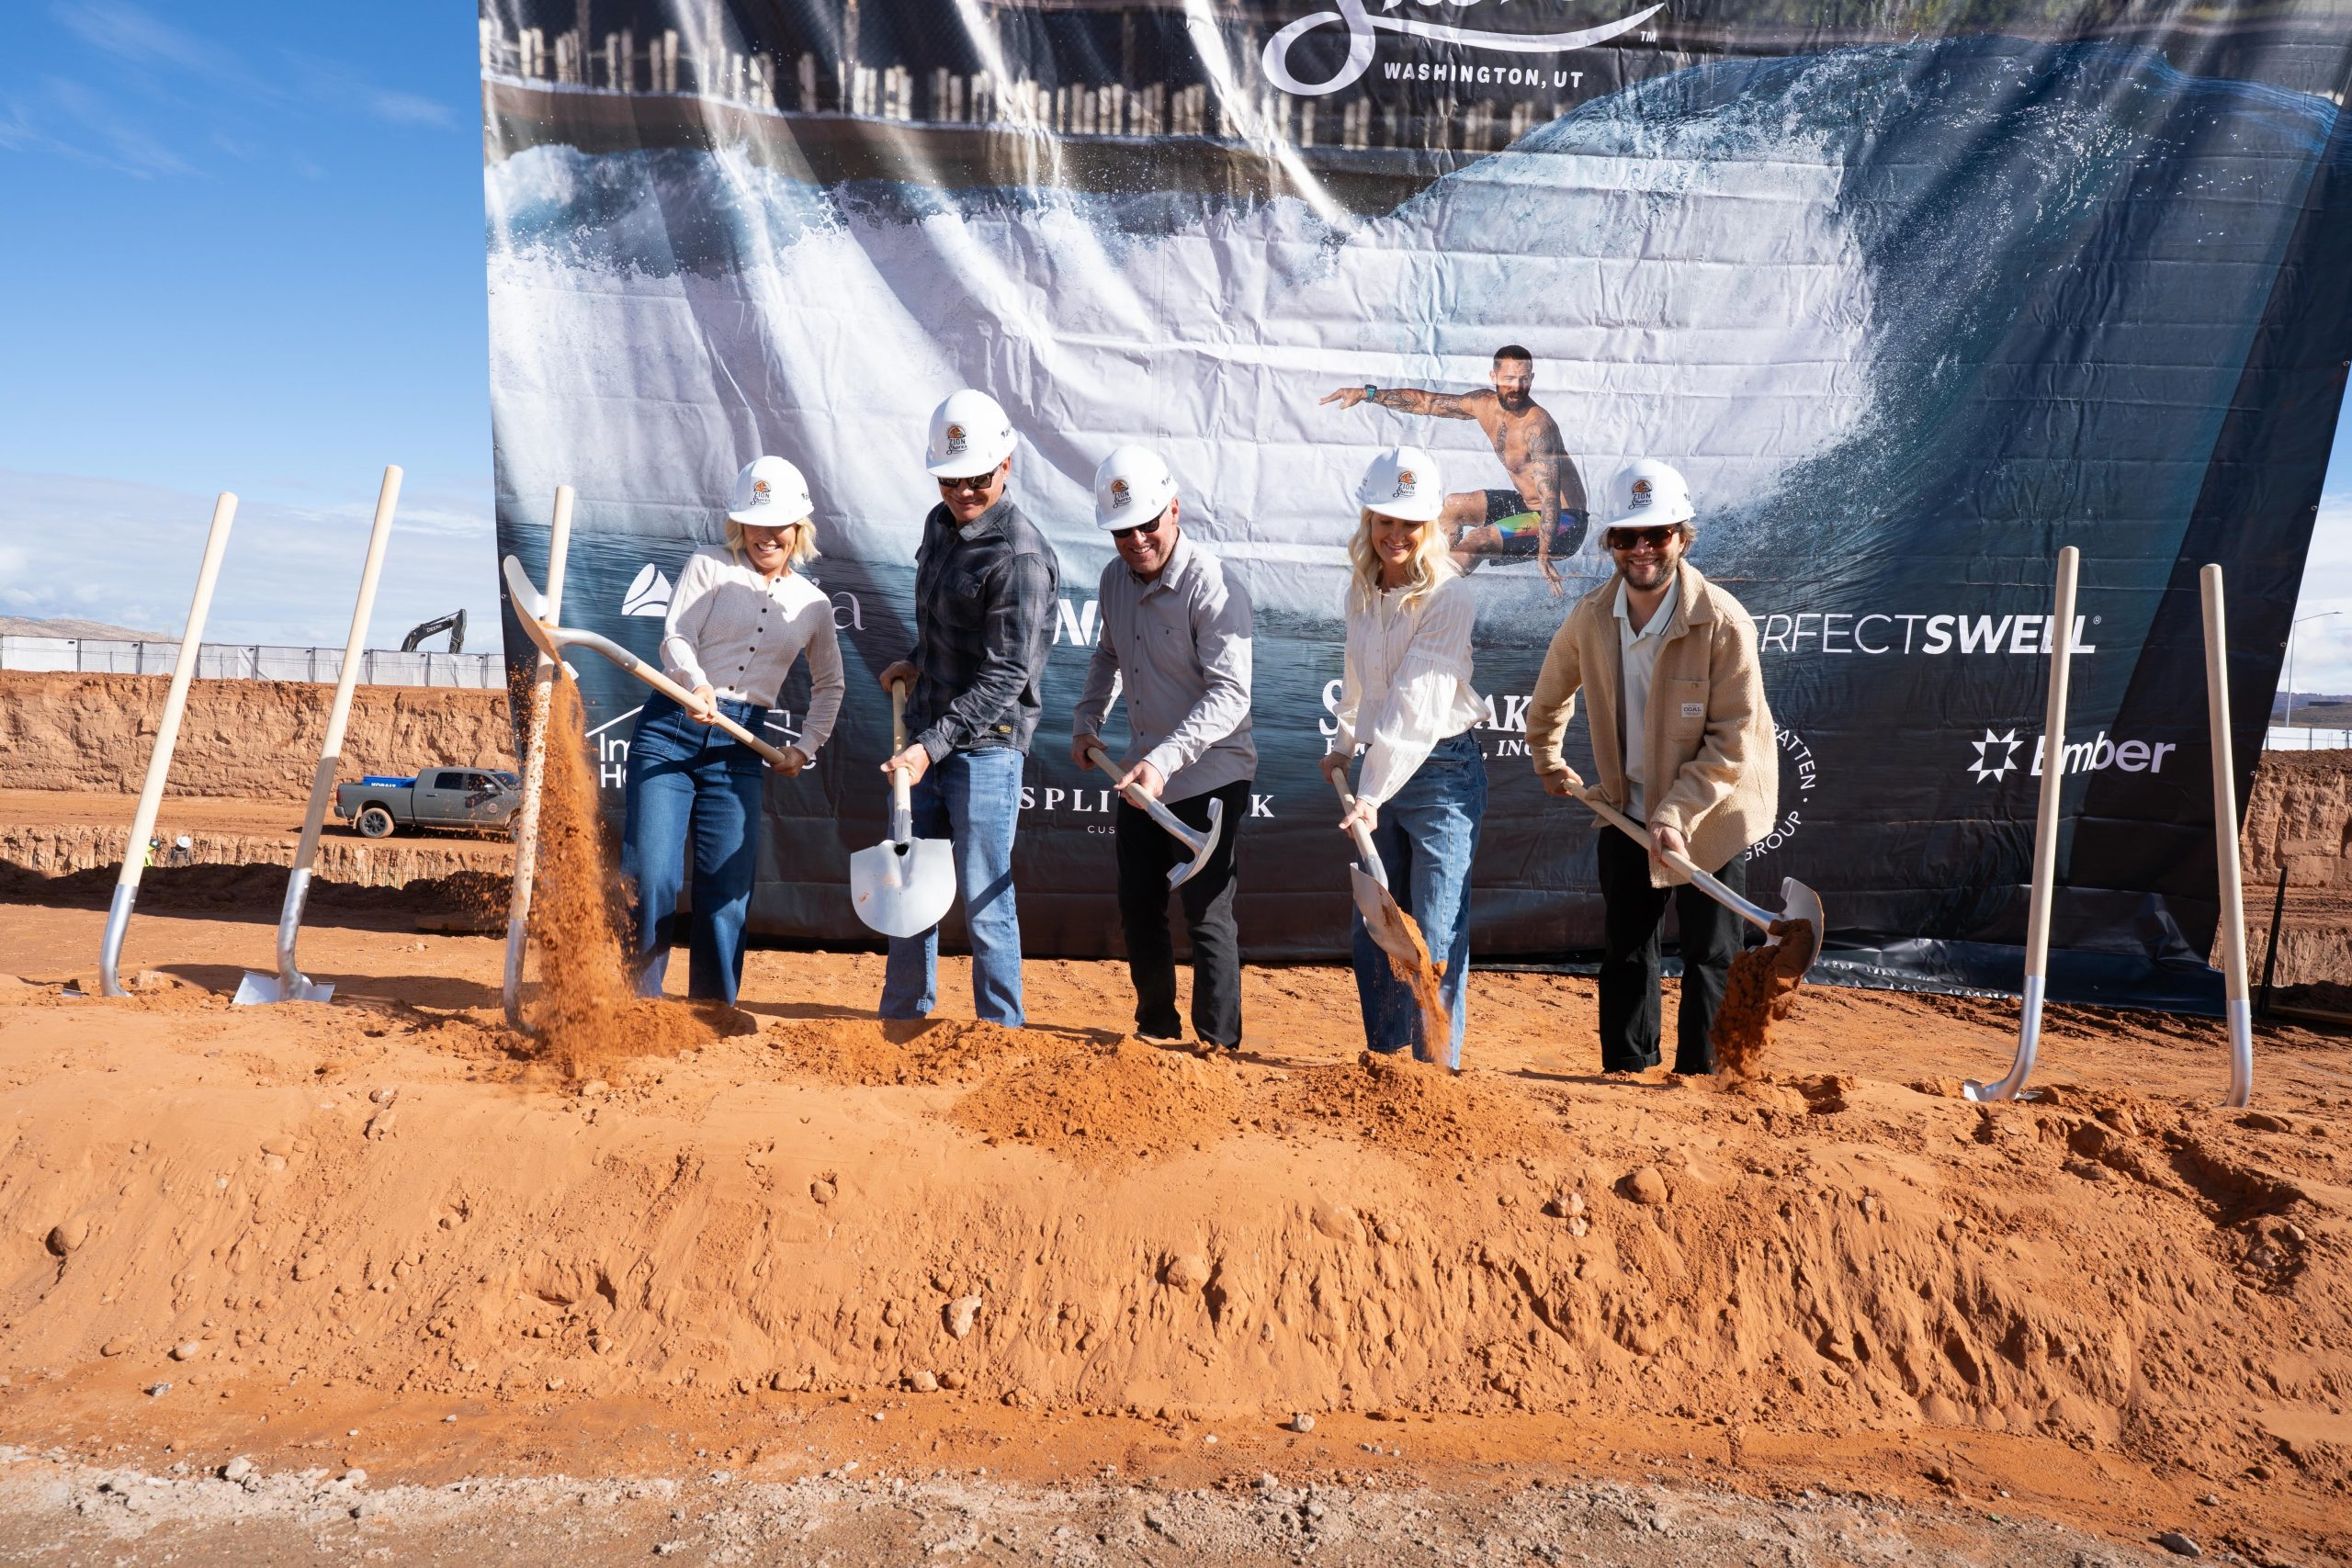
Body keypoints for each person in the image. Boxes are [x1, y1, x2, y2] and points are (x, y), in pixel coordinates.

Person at [1523, 457, 1777, 1074]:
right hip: (1624, 806)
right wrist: (1546, 755)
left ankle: (1701, 1081)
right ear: (1609, 542)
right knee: (1627, 949)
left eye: (1656, 533)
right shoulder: (1590, 617)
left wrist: (1676, 814)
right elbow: (1552, 691)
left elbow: (1730, 741)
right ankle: (1626, 1075)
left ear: (1682, 537)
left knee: (1711, 953)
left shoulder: (1723, 623)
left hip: (1711, 811)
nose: (1641, 549)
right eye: (1626, 536)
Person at [621, 454, 842, 1005]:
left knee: (727, 892)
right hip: (670, 731)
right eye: (755, 522)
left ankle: (713, 1012)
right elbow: (676, 635)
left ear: (799, 528)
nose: (767, 536)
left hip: (742, 749)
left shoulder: (813, 604)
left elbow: (831, 686)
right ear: (738, 524)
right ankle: (634, 1003)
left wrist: (805, 748)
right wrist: (694, 684)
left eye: (780, 525)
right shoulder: (708, 564)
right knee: (652, 879)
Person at [875, 389, 1058, 1028]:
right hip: (928, 734)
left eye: (976, 479)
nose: (963, 492)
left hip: (986, 745)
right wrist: (917, 659)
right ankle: (902, 1019)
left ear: (1006, 465)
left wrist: (931, 745)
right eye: (951, 478)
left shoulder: (1020, 556)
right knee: (910, 878)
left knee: (984, 895)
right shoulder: (937, 524)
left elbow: (1008, 671)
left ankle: (1000, 1032)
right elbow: (945, 626)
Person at [1071, 445, 1256, 1051]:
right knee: (1138, 905)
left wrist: (1161, 761)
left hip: (1211, 776)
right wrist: (1087, 718)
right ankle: (1155, 1029)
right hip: (1142, 776)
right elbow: (1107, 654)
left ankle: (1217, 1047)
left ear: (1174, 510)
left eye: (1149, 523)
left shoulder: (1214, 583)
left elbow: (1231, 694)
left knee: (1207, 913)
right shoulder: (1112, 580)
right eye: (1123, 530)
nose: (1137, 539)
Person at [1318, 446, 1489, 1068]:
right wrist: (1342, 747)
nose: (1395, 535)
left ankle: (1435, 1076)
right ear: (1368, 520)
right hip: (1378, 771)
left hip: (1441, 775)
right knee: (1378, 928)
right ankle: (1388, 1065)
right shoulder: (1363, 586)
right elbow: (1358, 677)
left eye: (1409, 523)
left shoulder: (1450, 598)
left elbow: (1416, 708)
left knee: (1435, 938)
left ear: (1431, 526)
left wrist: (1368, 793)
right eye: (1384, 520)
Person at [1319, 345, 1588, 592]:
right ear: (1493, 377)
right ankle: (1429, 576)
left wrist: (1543, 555)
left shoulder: (1538, 427)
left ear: (1531, 378)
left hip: (1564, 522)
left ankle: (1425, 598)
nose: (1517, 387)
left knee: (1477, 541)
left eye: (1524, 379)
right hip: (1531, 507)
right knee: (1453, 506)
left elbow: (1550, 496)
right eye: (1508, 379)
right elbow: (1428, 403)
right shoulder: (1483, 404)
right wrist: (1368, 394)